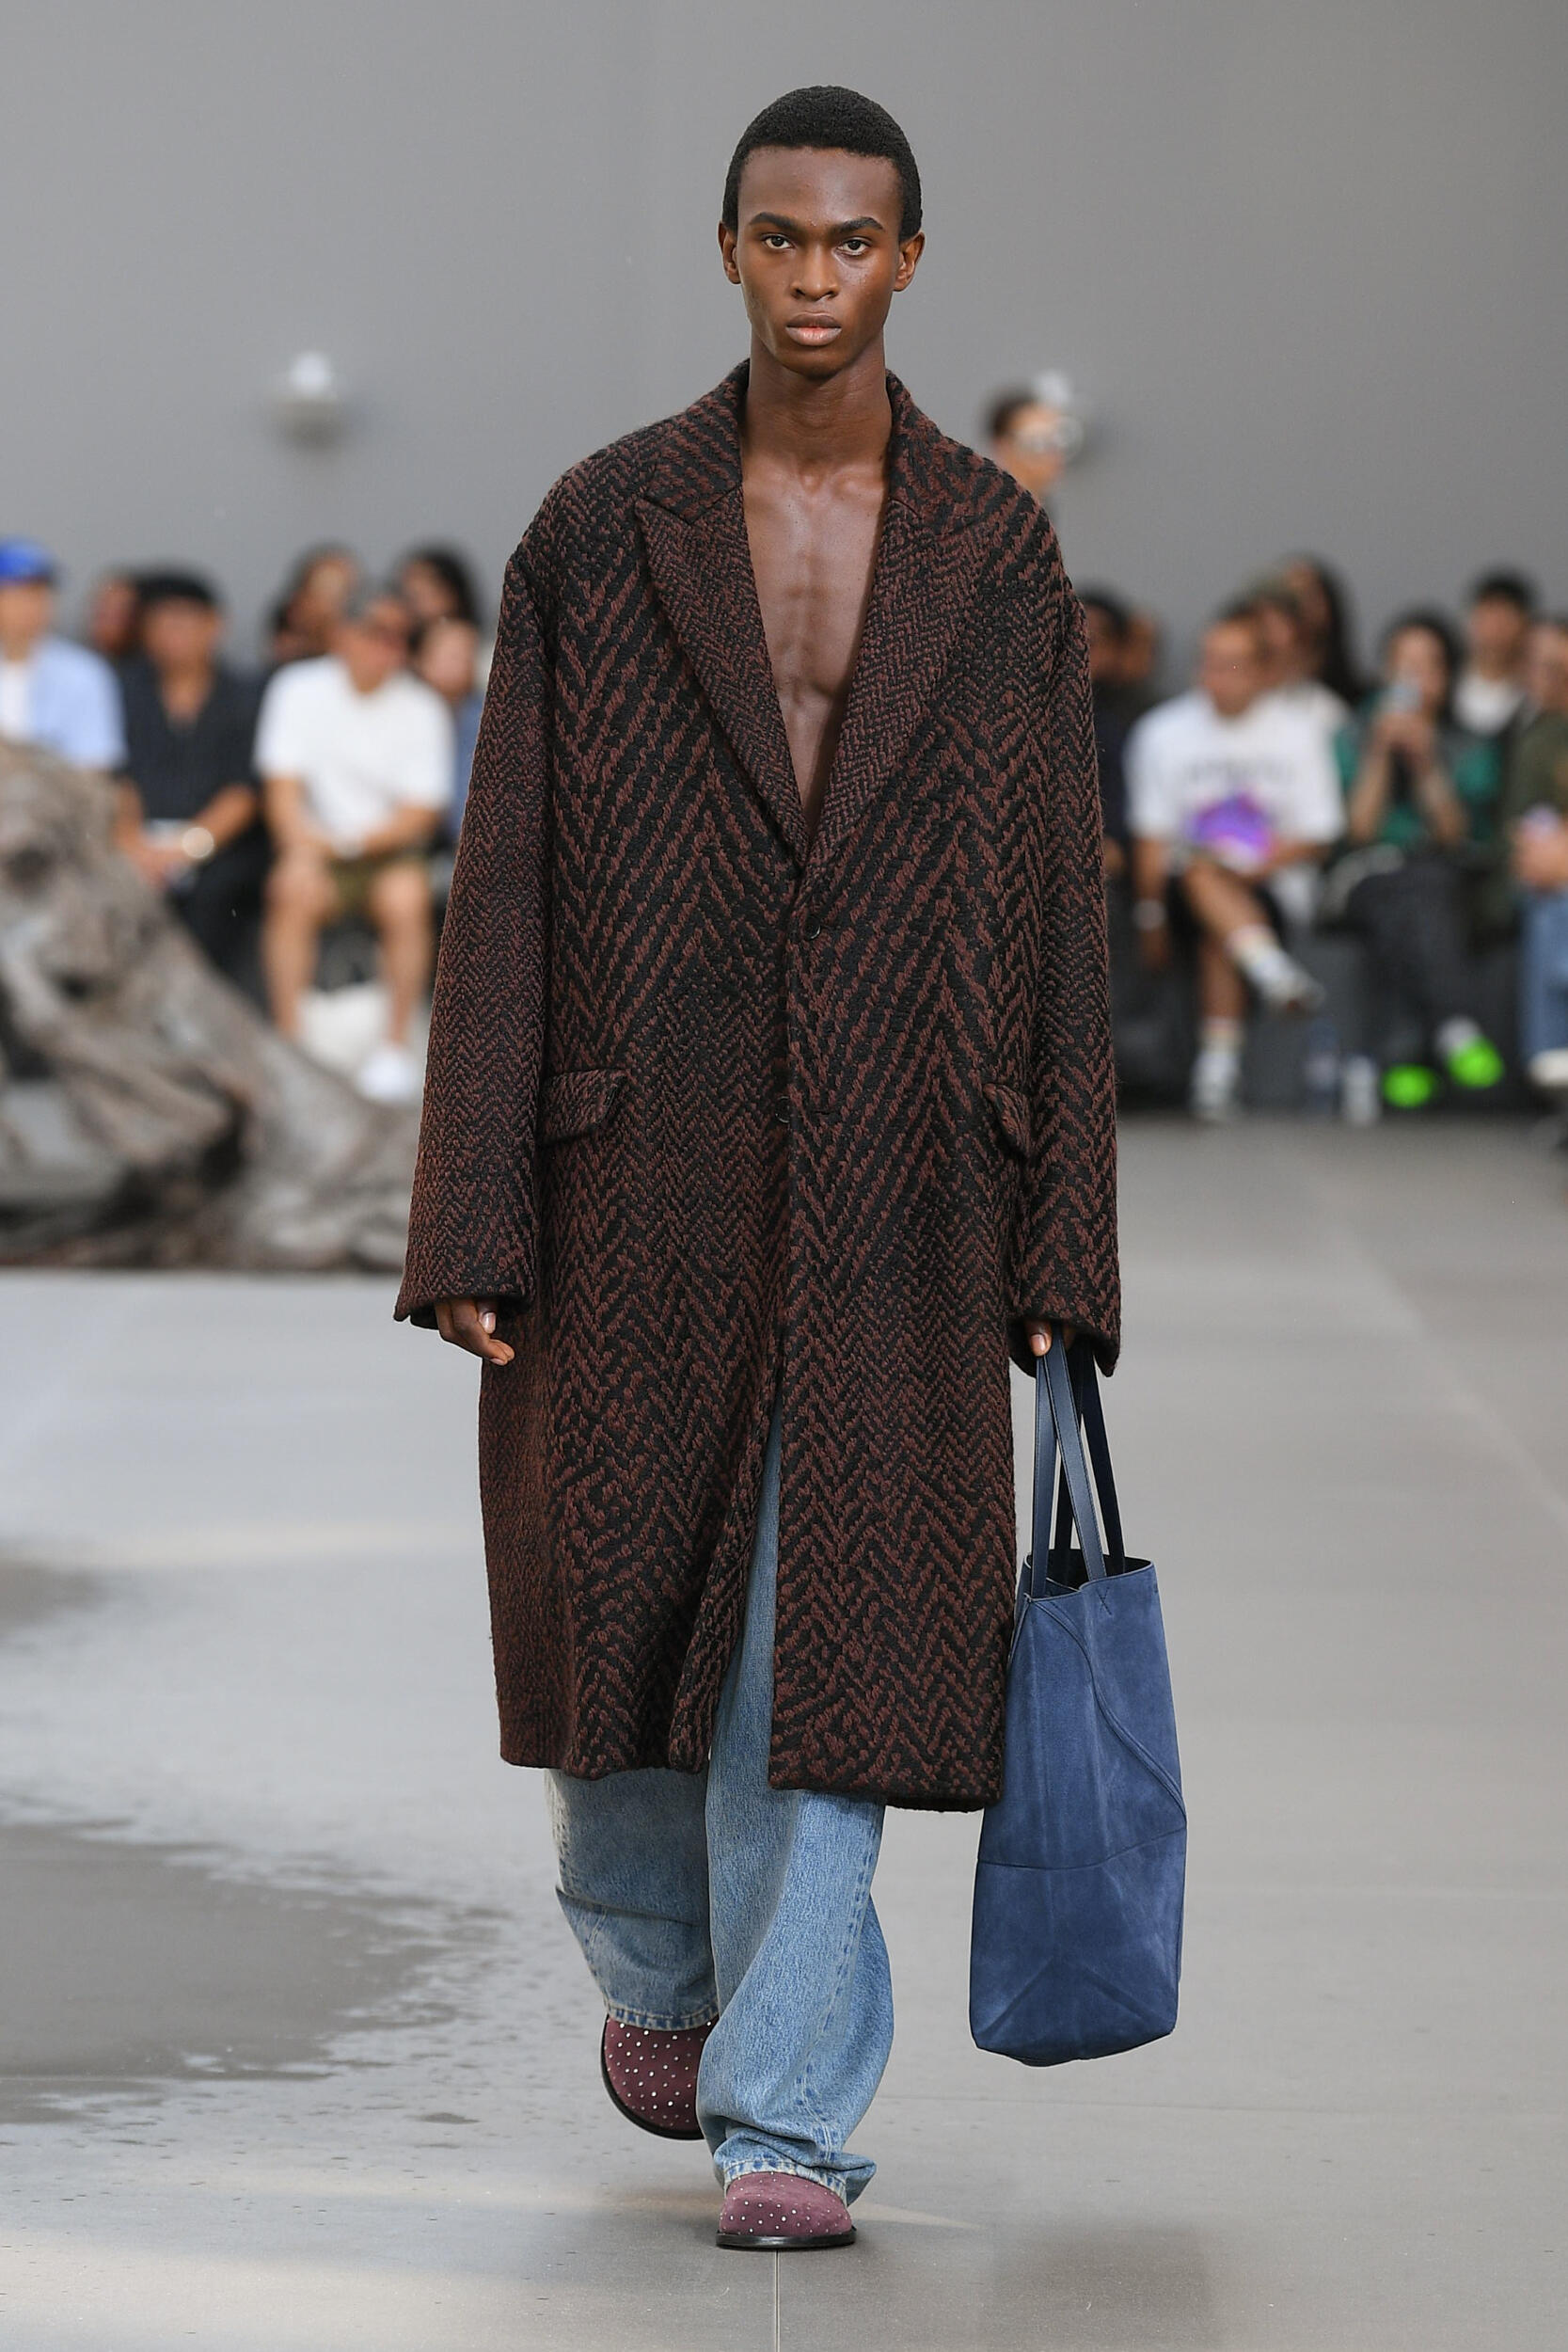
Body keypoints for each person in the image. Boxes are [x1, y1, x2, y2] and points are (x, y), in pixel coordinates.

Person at [395, 85, 1118, 2255]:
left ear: (909, 259)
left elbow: (1055, 900)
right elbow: (505, 871)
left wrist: (1064, 1232)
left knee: (833, 1654)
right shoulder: (601, 524)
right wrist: (472, 1205)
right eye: (780, 237)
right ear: (727, 249)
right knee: (614, 1646)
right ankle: (653, 1962)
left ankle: (786, 2113)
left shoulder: (991, 549)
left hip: (908, 1172)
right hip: (638, 1158)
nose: (815, 276)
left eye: (851, 240)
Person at [1127, 604, 1341, 1121]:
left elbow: (1319, 834)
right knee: (1201, 873)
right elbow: (1152, 838)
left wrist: (1255, 864)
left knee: (1218, 926)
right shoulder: (1162, 732)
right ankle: (1271, 975)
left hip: (1274, 887)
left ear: (1266, 670)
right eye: (1209, 661)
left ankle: (1219, 1070)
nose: (1217, 676)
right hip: (1184, 887)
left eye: (1234, 664)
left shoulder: (1300, 732)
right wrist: (1150, 916)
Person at [255, 584, 452, 1102]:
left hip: (387, 854)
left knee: (407, 900)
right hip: (314, 849)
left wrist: (344, 845)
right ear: (343, 634)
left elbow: (420, 813)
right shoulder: (296, 688)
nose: (388, 648)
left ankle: (394, 1049)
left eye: (401, 637)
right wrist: (302, 850)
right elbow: (282, 789)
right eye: (376, 633)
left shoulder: (422, 706)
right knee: (290, 891)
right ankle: (291, 1043)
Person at [1329, 611, 1506, 1108]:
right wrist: (1380, 754)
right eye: (1404, 666)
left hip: (1441, 878)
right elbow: (1360, 832)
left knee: (1419, 889)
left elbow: (1453, 836)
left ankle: (1405, 1053)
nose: (1416, 680)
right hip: (1367, 877)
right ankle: (1455, 1026)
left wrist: (1427, 762)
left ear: (1447, 677)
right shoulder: (1351, 735)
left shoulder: (1468, 743)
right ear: (1386, 673)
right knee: (1404, 888)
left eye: (1429, 667)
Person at [116, 571, 268, 987]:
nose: (174, 635)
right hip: (137, 842)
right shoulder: (121, 690)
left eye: (185, 622)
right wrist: (134, 845)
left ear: (215, 626)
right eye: (163, 623)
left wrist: (185, 849)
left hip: (215, 846)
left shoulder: (246, 696)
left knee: (219, 894)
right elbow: (117, 776)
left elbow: (244, 789)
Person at [1501, 615, 1568, 1099]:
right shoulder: (1538, 738)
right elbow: (1527, 835)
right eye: (1537, 664)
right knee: (1551, 904)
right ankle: (1553, 1064)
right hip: (1547, 877)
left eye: (1557, 666)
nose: (1547, 677)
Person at [0, 537, 124, 771]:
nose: (31, 607)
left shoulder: (83, 672)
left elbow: (95, 763)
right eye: (18, 594)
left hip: (54, 792)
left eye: (40, 594)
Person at [1247, 578, 1349, 748]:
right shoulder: (1210, 707)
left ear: (1300, 634)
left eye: (1273, 625)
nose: (1264, 637)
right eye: (1256, 623)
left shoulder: (1326, 712)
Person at [1078, 587, 1135, 874]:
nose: (1077, 649)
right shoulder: (1018, 715)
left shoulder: (1122, 727)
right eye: (1067, 636)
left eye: (1091, 641)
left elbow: (1117, 850)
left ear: (1116, 652)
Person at [411, 614, 483, 841]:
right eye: (452, 655)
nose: (462, 664)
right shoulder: (403, 708)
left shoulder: (483, 715)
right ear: (421, 659)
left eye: (468, 655)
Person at [1454, 569, 1535, 742]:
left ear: (1525, 626)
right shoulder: (1445, 682)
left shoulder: (1536, 697)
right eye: (1489, 615)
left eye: (1506, 619)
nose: (1495, 630)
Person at [1280, 555, 1366, 708]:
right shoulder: (1257, 698)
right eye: (1287, 599)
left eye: (1307, 596)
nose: (1297, 608)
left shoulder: (1358, 701)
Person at [264, 544, 361, 668]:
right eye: (325, 589)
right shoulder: (289, 664)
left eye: (344, 592)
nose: (332, 606)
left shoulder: (356, 656)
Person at [984, 383, 1078, 510]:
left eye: (1058, 439)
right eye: (1038, 444)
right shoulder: (988, 512)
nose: (1053, 453)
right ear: (1004, 447)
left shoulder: (1041, 508)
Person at [82, 567, 143, 667]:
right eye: (103, 612)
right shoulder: (78, 661)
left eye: (118, 615)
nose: (107, 622)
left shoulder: (149, 668)